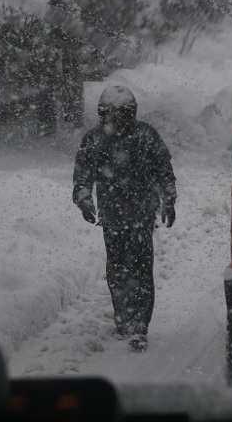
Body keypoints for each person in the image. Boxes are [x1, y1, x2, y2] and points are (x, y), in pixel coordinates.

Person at [73, 85, 177, 352]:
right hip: (112, 218)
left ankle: (140, 326)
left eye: (121, 112)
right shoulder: (94, 139)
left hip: (141, 216)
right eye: (110, 112)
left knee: (142, 270)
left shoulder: (145, 136)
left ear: (130, 113)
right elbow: (83, 173)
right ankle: (123, 319)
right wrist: (84, 199)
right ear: (102, 112)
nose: (115, 117)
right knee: (117, 271)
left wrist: (169, 199)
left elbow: (164, 168)